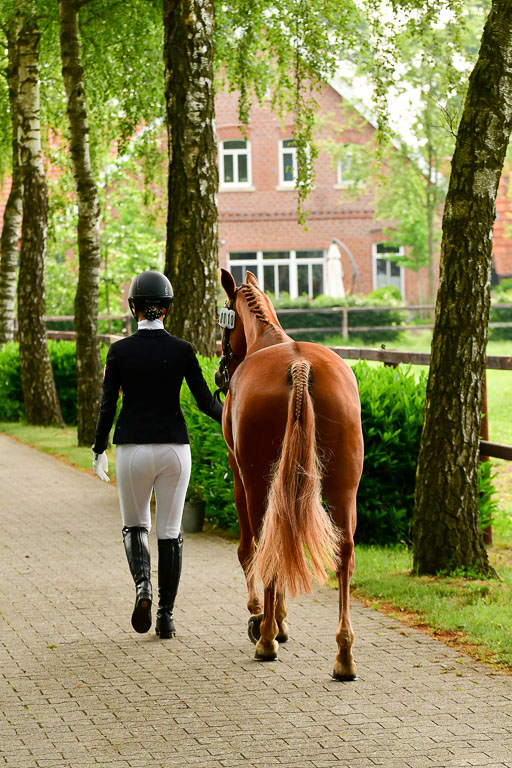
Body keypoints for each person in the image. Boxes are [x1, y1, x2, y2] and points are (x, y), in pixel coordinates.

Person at [92, 270, 222, 638]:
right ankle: (166, 617)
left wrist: (99, 448)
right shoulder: (182, 350)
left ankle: (143, 588)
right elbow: (205, 402)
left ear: (133, 306)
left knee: (135, 526)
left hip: (133, 449)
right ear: (167, 308)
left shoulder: (119, 351)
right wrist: (236, 415)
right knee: (170, 531)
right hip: (174, 450)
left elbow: (107, 406)